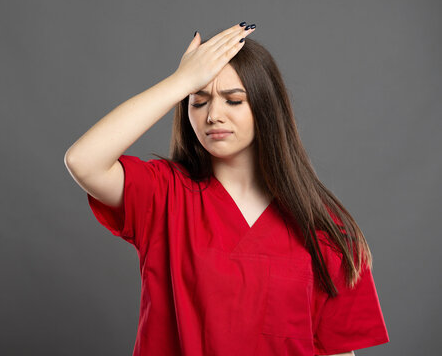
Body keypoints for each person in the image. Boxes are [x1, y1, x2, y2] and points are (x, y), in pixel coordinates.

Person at [64, 22, 390, 356]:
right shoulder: (165, 195)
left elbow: (337, 351)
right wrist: (181, 81)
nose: (213, 115)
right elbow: (83, 160)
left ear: (265, 108)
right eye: (199, 101)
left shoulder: (323, 226)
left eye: (233, 101)